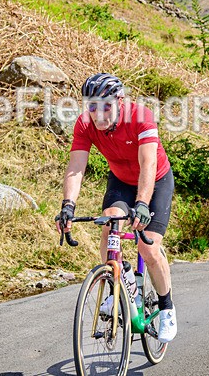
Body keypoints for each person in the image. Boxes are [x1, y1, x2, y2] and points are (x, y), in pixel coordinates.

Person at [55, 73, 177, 343]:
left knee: (148, 247)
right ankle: (118, 287)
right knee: (109, 221)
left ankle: (167, 307)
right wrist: (68, 206)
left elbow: (148, 165)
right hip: (121, 181)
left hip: (155, 181)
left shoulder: (141, 116)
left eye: (106, 106)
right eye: (92, 107)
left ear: (120, 101)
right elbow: (76, 167)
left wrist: (143, 204)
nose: (99, 115)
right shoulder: (85, 124)